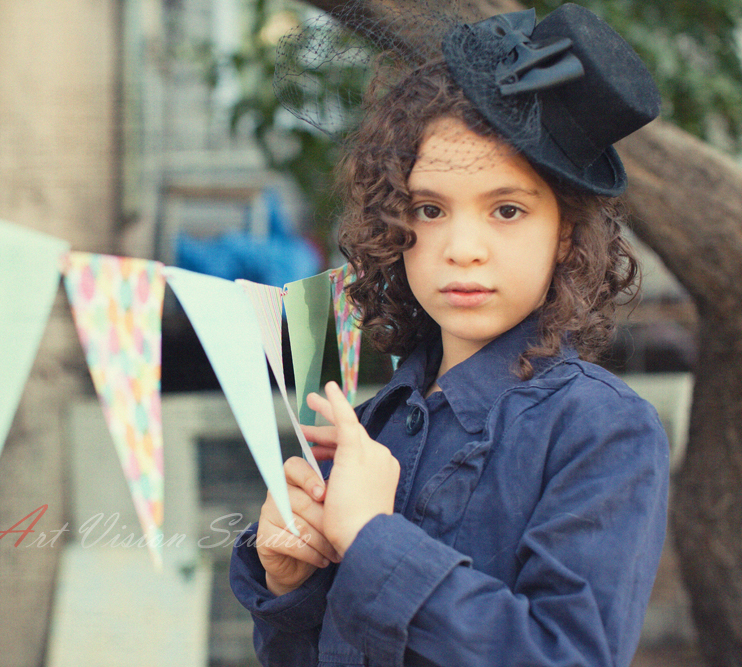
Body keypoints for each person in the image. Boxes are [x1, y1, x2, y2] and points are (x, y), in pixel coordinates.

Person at [230, 3, 670, 666]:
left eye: (508, 209)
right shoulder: (369, 428)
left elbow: (570, 654)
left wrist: (373, 537)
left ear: (567, 235)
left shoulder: (602, 429)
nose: (463, 248)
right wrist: (288, 581)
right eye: (430, 209)